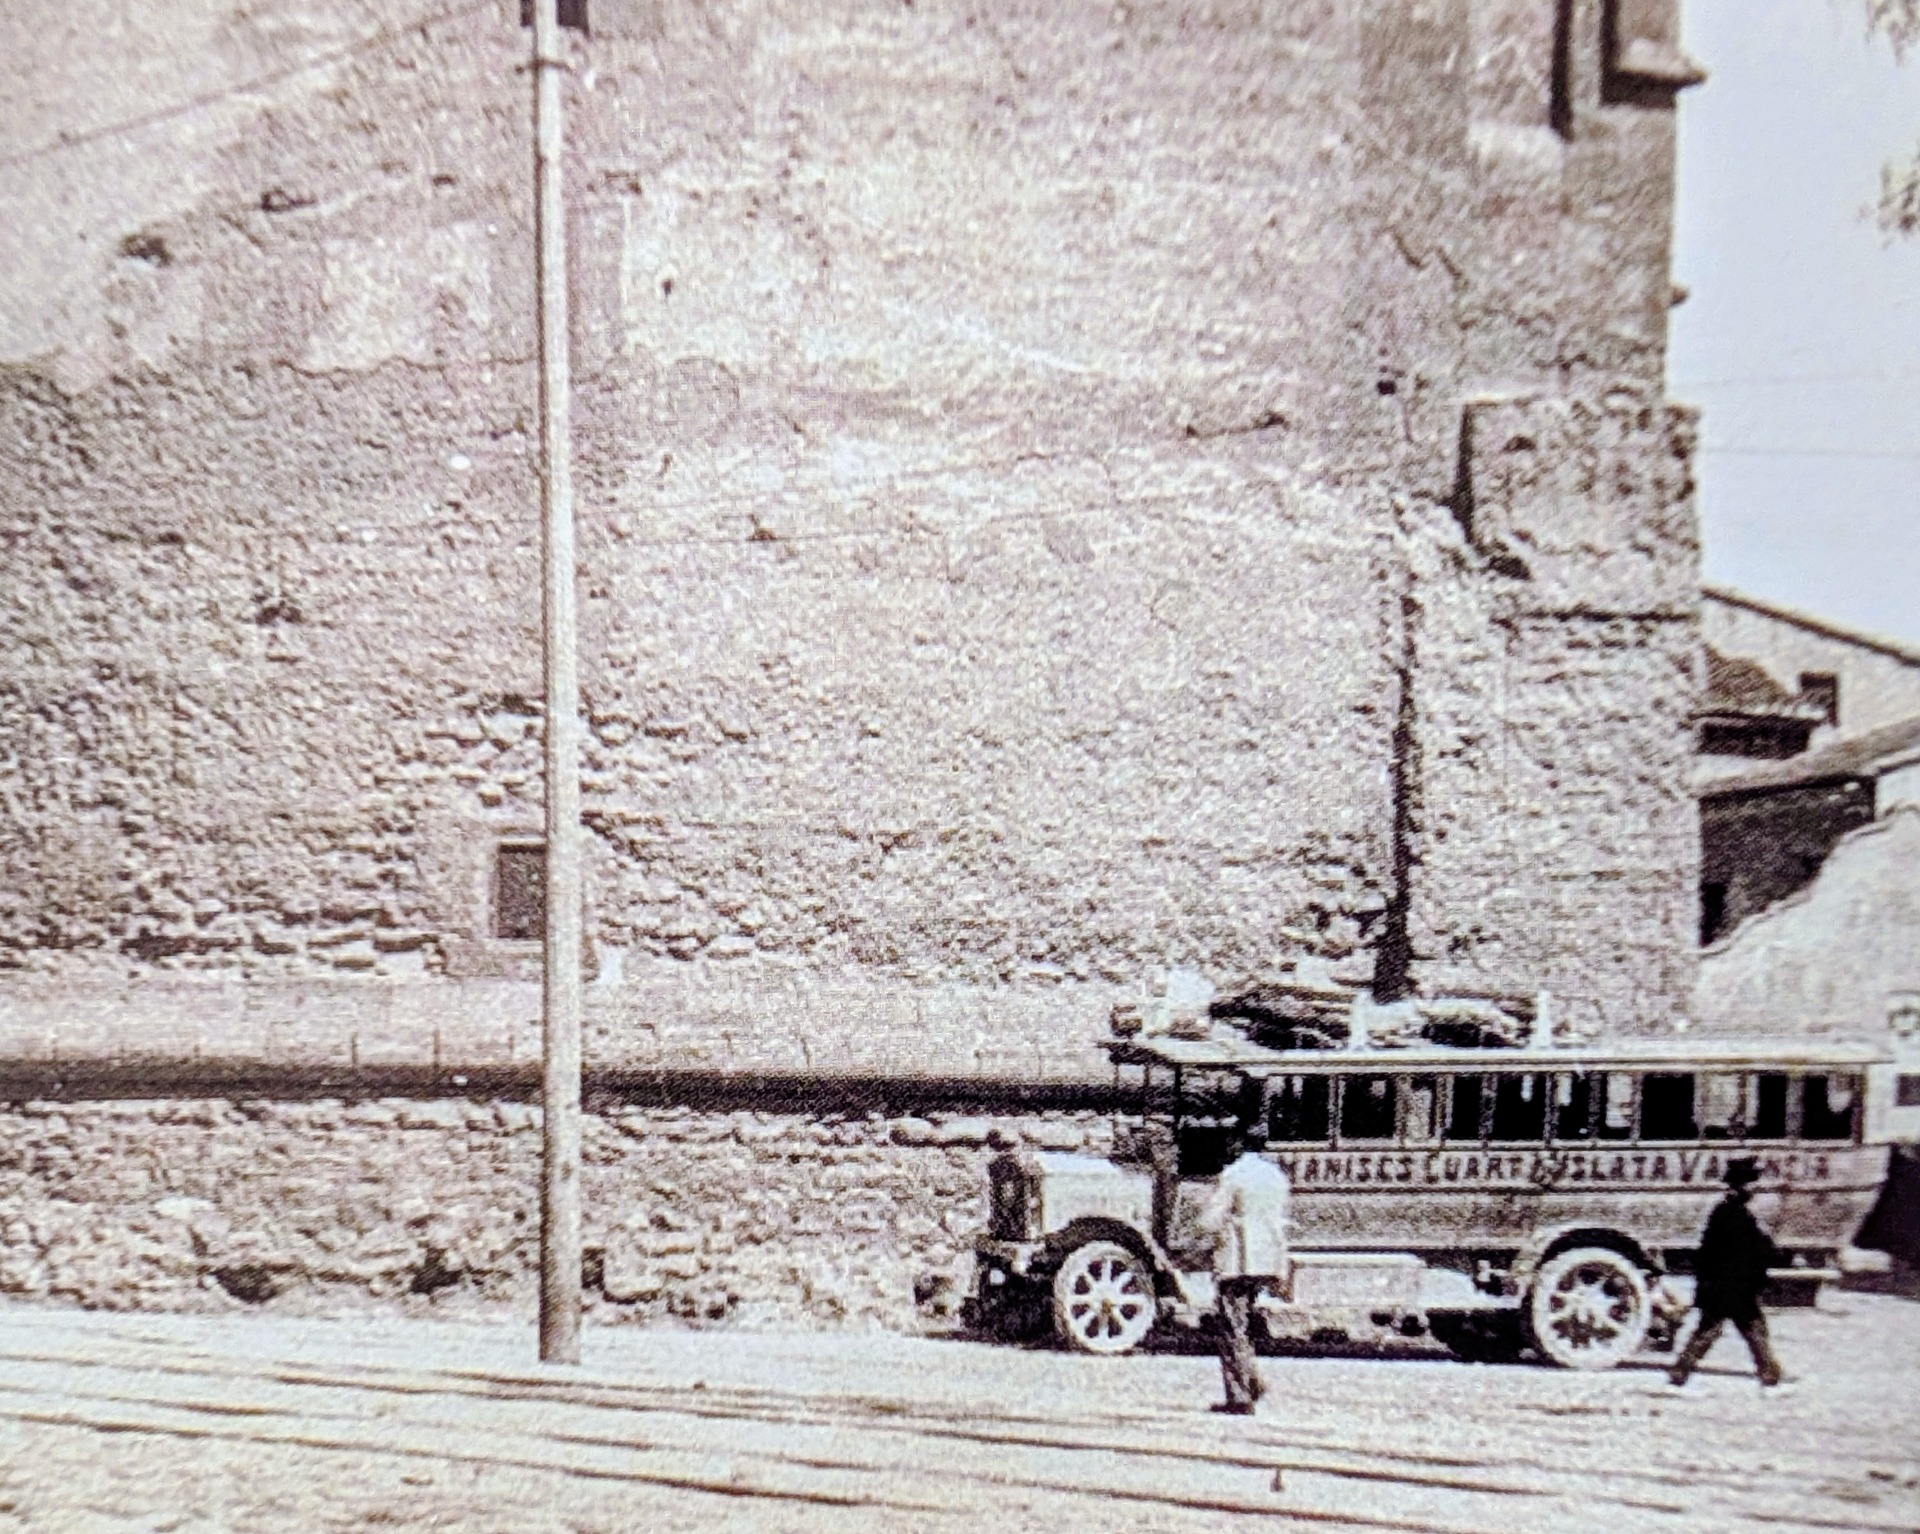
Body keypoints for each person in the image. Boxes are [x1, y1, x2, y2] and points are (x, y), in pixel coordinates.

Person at [1667, 1156, 1787, 1389]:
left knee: (1713, 1331)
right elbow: (1756, 1249)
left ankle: (1681, 1371)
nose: (1754, 1189)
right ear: (1742, 1187)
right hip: (1733, 1287)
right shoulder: (1738, 1216)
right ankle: (1769, 1373)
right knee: (1750, 1328)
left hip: (1721, 1286)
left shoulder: (1723, 1213)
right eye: (1751, 1184)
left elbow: (1707, 1252)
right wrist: (1778, 1256)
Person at [1195, 1128, 1291, 1415]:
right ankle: (1253, 1381)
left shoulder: (1233, 1175)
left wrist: (1199, 1219)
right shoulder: (1276, 1176)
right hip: (1267, 1259)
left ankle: (1240, 1396)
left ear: (1238, 1144)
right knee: (1244, 1322)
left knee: (1232, 1327)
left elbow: (1210, 1220)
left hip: (1239, 1259)